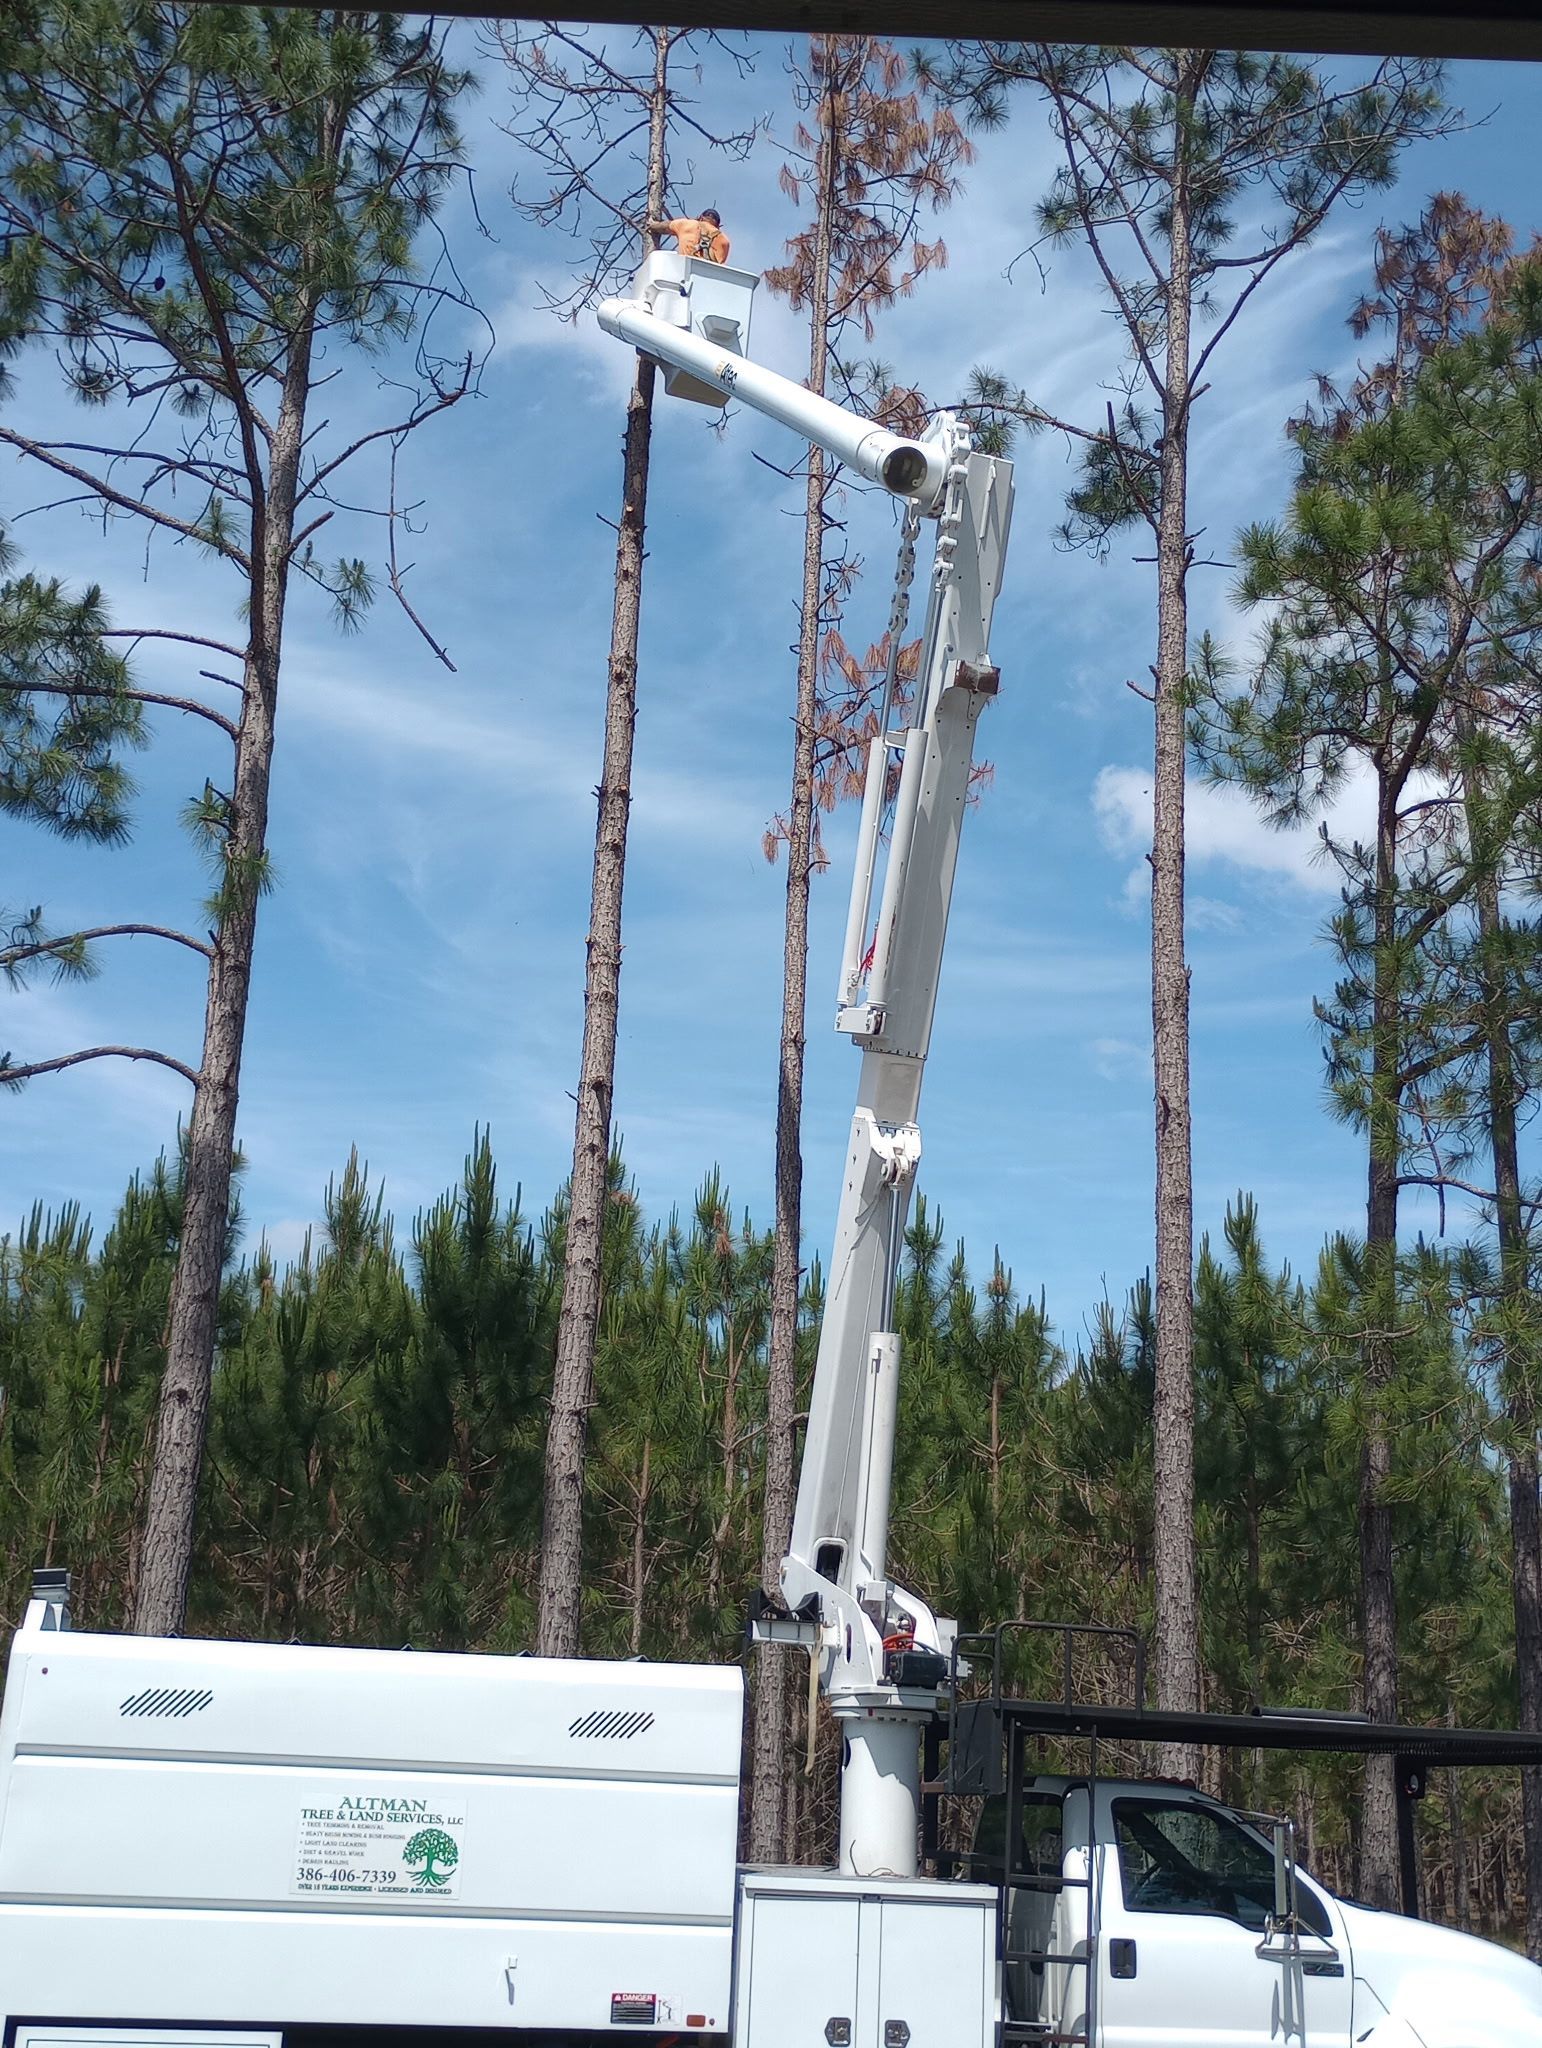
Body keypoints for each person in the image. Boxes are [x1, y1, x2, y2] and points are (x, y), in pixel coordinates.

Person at [647, 207, 730, 265]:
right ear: (718, 225)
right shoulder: (724, 241)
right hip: (709, 281)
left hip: (686, 272)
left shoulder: (687, 224)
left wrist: (652, 225)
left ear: (701, 218)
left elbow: (665, 226)